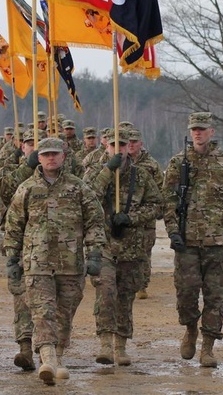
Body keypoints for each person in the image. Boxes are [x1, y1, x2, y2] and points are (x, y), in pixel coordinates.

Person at [4, 137, 106, 385]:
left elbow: (95, 221)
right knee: (42, 311)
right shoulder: (27, 188)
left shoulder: (79, 188)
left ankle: (58, 356)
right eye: (46, 154)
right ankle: (47, 358)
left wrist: (94, 253)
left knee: (64, 312)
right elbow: (14, 226)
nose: (51, 158)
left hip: (70, 263)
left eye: (55, 154)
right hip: (36, 262)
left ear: (64, 157)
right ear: (39, 158)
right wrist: (11, 258)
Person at [162, 112, 223, 368]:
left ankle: (208, 347)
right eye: (194, 129)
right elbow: (168, 200)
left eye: (202, 129)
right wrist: (173, 231)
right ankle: (190, 329)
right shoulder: (178, 162)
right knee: (186, 295)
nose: (197, 133)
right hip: (186, 241)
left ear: (212, 131)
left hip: (216, 242)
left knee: (215, 297)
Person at [83, 128, 162, 366]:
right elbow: (88, 198)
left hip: (131, 247)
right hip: (103, 245)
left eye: (123, 145)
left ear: (130, 148)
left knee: (125, 297)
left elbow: (157, 205)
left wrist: (132, 218)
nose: (118, 150)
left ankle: (121, 345)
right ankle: (105, 344)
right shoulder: (95, 173)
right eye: (113, 145)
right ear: (106, 146)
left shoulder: (142, 176)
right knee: (106, 293)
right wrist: (108, 171)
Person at [0, 129, 37, 371]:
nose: (36, 147)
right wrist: (27, 167)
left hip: (55, 247)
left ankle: (51, 348)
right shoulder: (10, 166)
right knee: (22, 297)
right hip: (21, 244)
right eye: (31, 143)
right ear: (23, 147)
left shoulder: (60, 169)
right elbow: (3, 189)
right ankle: (26, 348)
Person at [127, 128, 164, 298]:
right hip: (126, 216)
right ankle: (129, 284)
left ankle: (142, 285)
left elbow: (161, 188)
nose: (131, 145)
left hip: (146, 218)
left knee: (144, 252)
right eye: (129, 142)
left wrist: (159, 209)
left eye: (135, 142)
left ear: (141, 144)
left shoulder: (151, 164)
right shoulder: (120, 163)